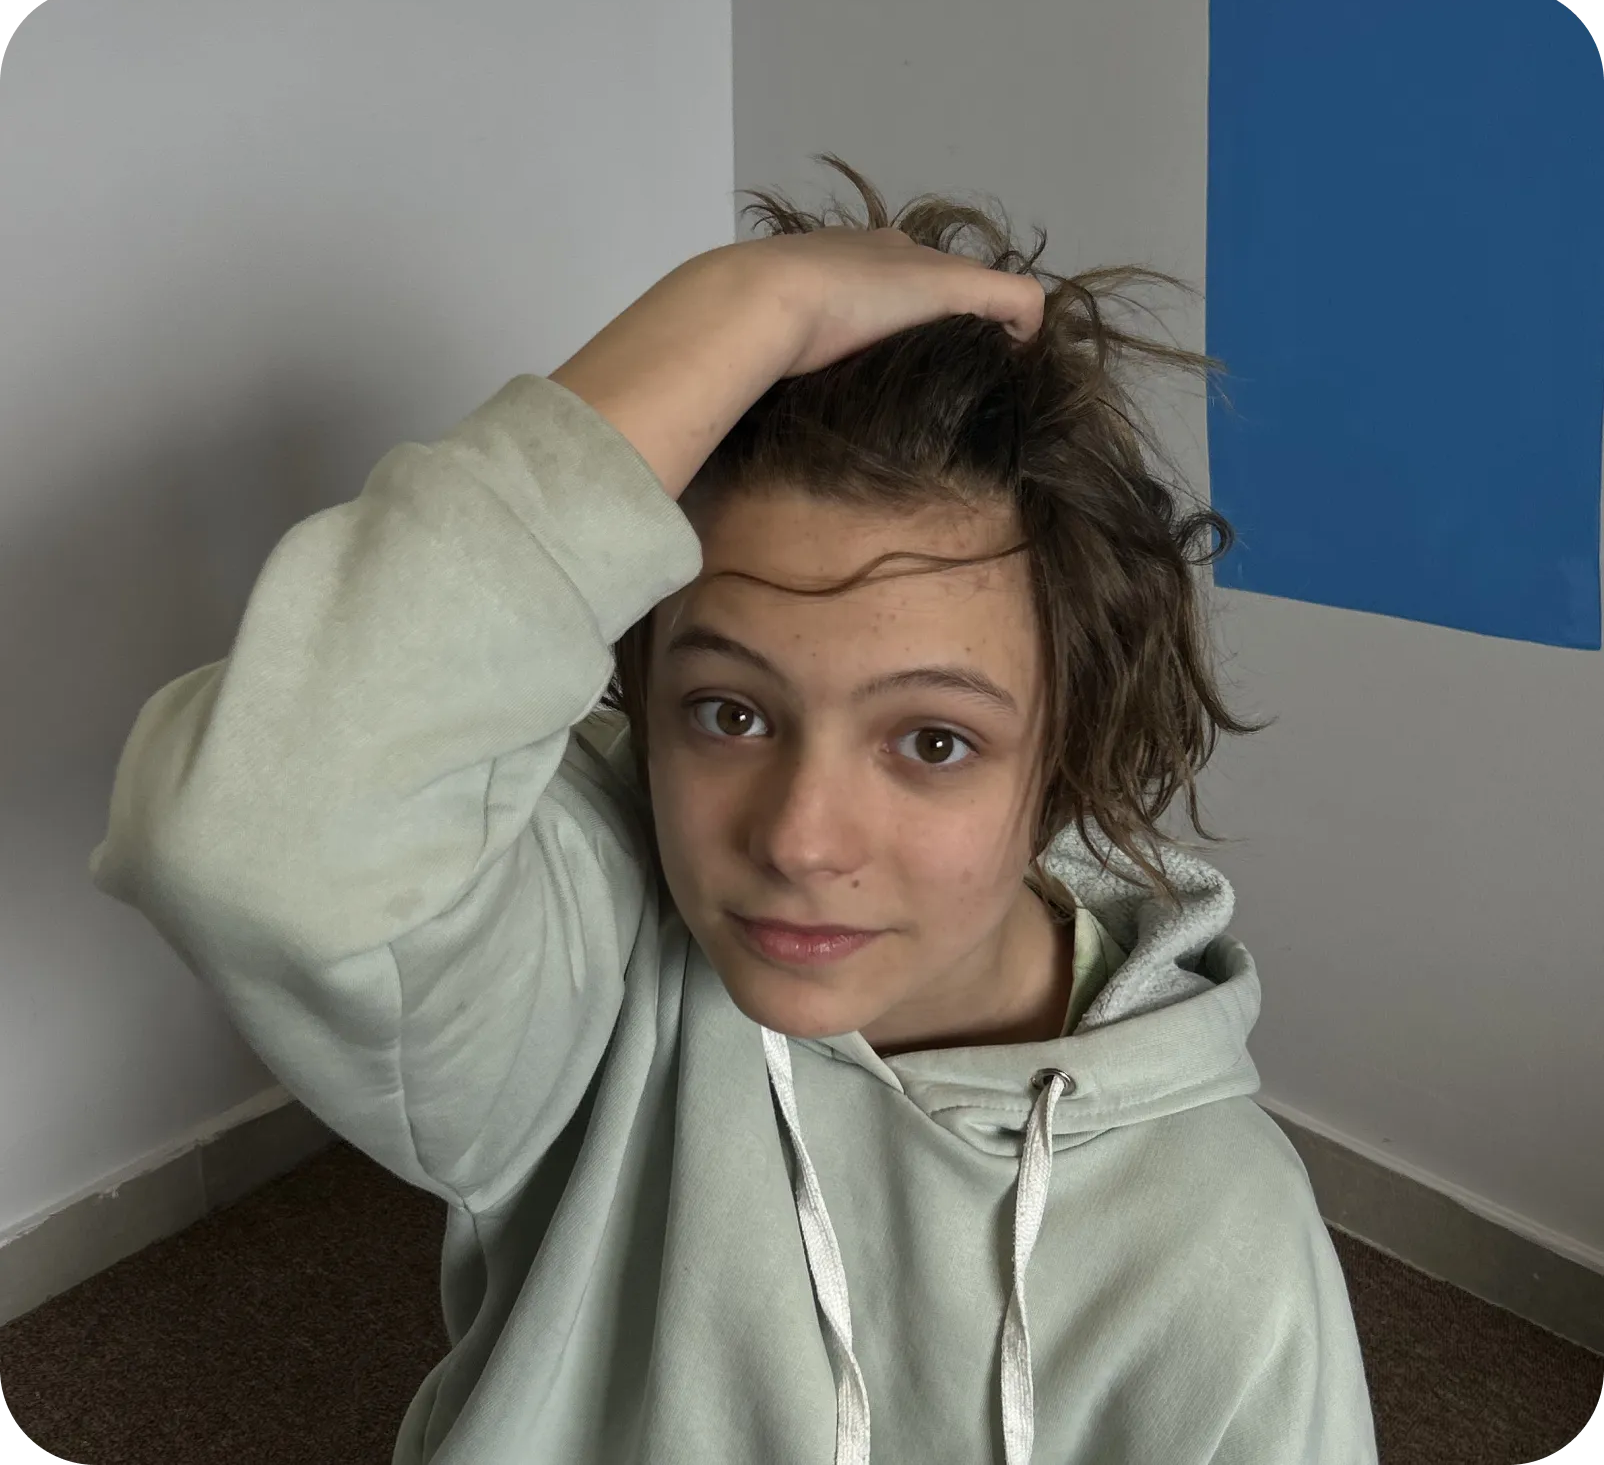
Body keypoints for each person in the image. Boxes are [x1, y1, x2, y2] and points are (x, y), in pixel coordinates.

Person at [88, 155, 1380, 1464]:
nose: (799, 840)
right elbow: (255, 842)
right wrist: (743, 307)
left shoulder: (1224, 1249)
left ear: (1068, 756)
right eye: (731, 713)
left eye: (932, 740)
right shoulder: (591, 965)